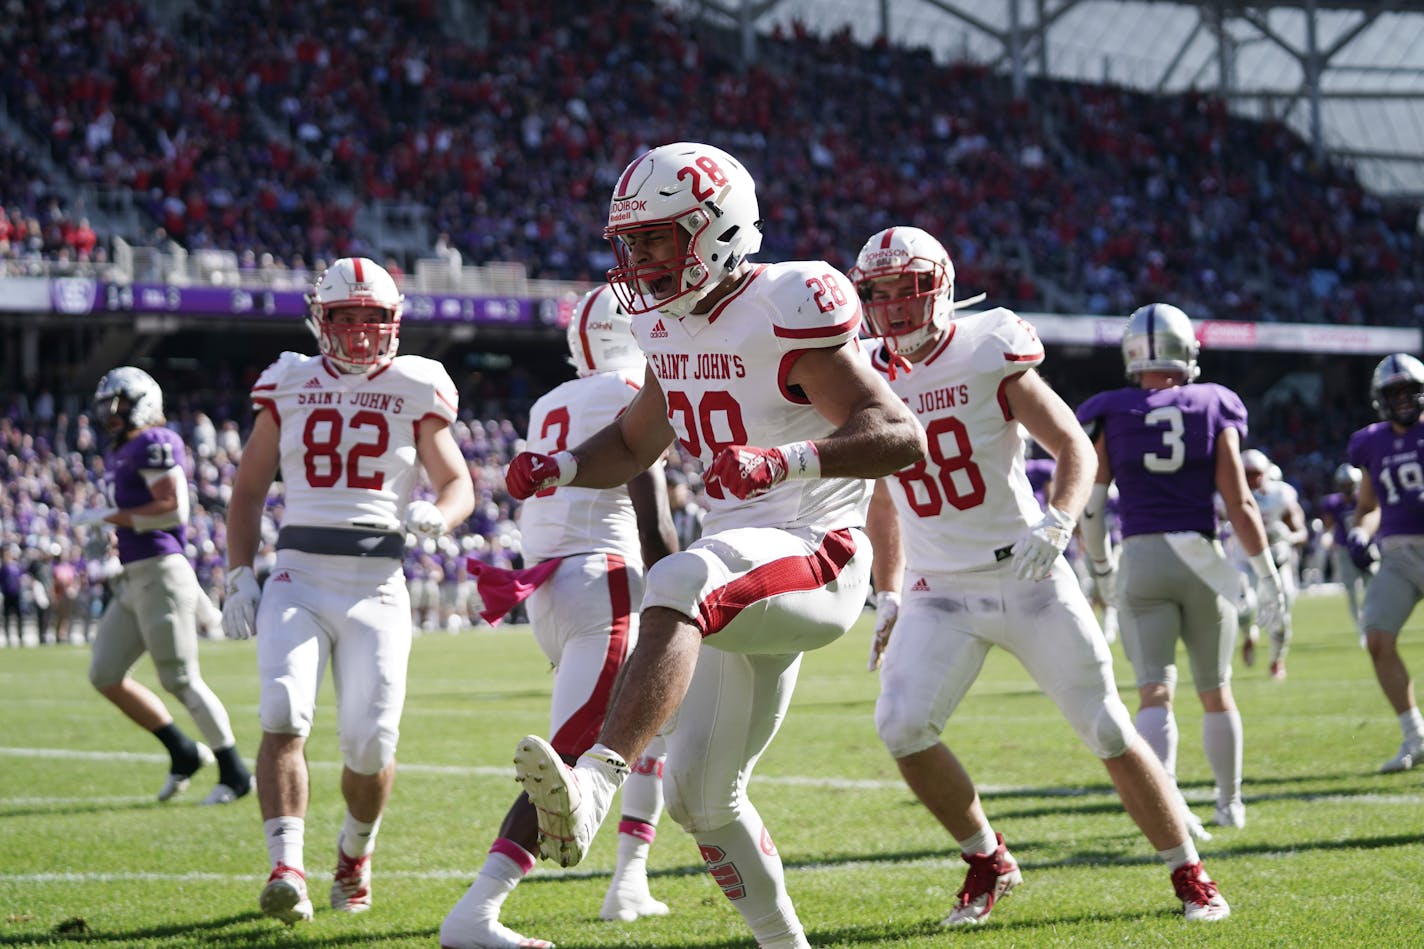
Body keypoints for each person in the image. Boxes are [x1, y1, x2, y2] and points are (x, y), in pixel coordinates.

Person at [503, 142, 926, 949]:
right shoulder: (664, 324)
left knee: (680, 579)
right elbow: (634, 443)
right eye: (630, 243)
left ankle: (596, 785)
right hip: (743, 566)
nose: (639, 260)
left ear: (715, 226)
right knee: (704, 797)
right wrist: (559, 464)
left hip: (818, 547)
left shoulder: (788, 302)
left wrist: (790, 457)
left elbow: (898, 434)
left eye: (656, 238)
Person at [851, 228, 1230, 926]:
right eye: (879, 292)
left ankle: (1189, 870)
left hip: (1025, 573)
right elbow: (882, 495)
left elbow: (1072, 446)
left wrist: (1056, 522)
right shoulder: (860, 371)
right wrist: (888, 588)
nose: (896, 306)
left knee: (1108, 726)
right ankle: (987, 857)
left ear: (939, 287)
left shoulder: (988, 345)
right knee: (901, 725)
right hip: (940, 587)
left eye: (909, 288)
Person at [221, 257, 475, 925]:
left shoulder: (419, 383)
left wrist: (438, 515)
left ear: (393, 323)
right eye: (345, 317)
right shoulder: (289, 381)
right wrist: (239, 572)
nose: (360, 332)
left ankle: (355, 851)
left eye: (372, 318)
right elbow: (248, 490)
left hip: (377, 582)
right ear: (320, 320)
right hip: (299, 573)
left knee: (370, 745)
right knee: (281, 712)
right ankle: (286, 866)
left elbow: (458, 484)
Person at [441, 286, 681, 949]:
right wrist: (679, 584)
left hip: (549, 585)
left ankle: (629, 880)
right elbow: (646, 494)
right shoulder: (632, 388)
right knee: (580, 756)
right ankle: (477, 910)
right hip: (602, 578)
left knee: (649, 728)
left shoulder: (552, 400)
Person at [1077, 303, 1285, 834]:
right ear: (1186, 351)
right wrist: (1267, 574)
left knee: (1154, 691)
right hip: (1200, 558)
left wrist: (1100, 567)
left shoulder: (1112, 410)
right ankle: (1229, 802)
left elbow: (1094, 505)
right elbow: (1238, 501)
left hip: (1142, 559)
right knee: (1216, 690)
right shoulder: (1213, 403)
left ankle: (1168, 806)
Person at [70, 366, 254, 804]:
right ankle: (182, 749)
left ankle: (234, 771)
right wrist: (106, 529)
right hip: (133, 574)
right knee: (105, 674)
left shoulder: (155, 442)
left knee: (180, 678)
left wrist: (107, 517)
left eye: (119, 407)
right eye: (107, 410)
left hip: (161, 571)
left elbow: (173, 511)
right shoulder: (122, 450)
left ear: (142, 403)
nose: (111, 417)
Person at [1345, 353, 1424, 773]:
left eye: (1409, 390)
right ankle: (1414, 734)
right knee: (1377, 640)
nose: (1403, 400)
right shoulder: (1370, 441)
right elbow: (1369, 506)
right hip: (1396, 552)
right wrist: (1362, 533)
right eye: (1393, 393)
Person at [1239, 449, 1306, 678]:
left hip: (1276, 560)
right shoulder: (1226, 495)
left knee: (1281, 612)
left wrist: (1289, 537)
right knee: (1243, 608)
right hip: (1243, 560)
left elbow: (1301, 531)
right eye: (1247, 473)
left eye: (1256, 473)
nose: (1252, 479)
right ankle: (1249, 633)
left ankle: (1276, 660)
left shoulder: (1281, 494)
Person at [1320, 462, 1370, 646]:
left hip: (1366, 546)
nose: (1346, 488)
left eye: (1349, 483)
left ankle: (1372, 622)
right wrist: (1327, 537)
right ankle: (1361, 628)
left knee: (1372, 586)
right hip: (1344, 548)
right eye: (1343, 484)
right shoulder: (1333, 503)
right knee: (1351, 590)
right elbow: (1328, 525)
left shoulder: (1363, 499)